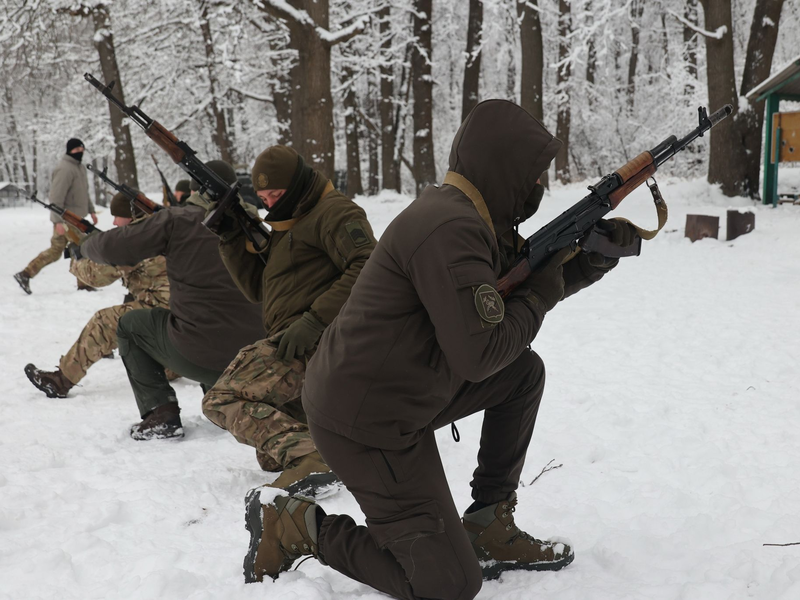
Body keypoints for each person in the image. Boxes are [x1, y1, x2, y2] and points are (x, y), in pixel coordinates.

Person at [242, 100, 639, 597]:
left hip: (402, 389)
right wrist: (543, 289)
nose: (539, 186)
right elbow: (481, 352)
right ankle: (298, 526)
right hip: (365, 421)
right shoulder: (451, 229)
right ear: (504, 168)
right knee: (446, 584)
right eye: (533, 174)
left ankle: (489, 524)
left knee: (522, 373)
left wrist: (587, 265)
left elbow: (504, 302)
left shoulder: (473, 219)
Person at [201, 145, 376, 494]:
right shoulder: (290, 218)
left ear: (297, 184)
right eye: (263, 196)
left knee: (219, 399)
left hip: (320, 341)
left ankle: (313, 457)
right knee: (271, 455)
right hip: (296, 337)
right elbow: (257, 288)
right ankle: (327, 452)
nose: (269, 203)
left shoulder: (334, 212)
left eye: (276, 194)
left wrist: (314, 321)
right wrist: (232, 237)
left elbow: (369, 267)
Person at [79, 160, 263, 440]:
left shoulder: (179, 221)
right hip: (256, 361)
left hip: (202, 355)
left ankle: (161, 413)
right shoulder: (257, 227)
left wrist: (84, 244)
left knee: (130, 325)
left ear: (195, 190)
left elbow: (110, 247)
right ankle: (219, 395)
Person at [23, 191, 171, 398]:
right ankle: (170, 367)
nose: (114, 221)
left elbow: (95, 277)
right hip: (187, 314)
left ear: (130, 216)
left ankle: (61, 381)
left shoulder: (135, 241)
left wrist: (78, 255)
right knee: (132, 303)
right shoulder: (163, 228)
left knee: (104, 321)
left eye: (117, 216)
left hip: (167, 316)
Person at [14, 138, 98, 295]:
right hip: (67, 220)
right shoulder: (65, 169)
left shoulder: (79, 168)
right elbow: (56, 198)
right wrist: (57, 221)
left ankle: (25, 274)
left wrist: (92, 210)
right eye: (76, 150)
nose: (80, 152)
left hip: (78, 218)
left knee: (56, 250)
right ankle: (84, 283)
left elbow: (84, 193)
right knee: (81, 248)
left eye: (82, 149)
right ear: (69, 150)